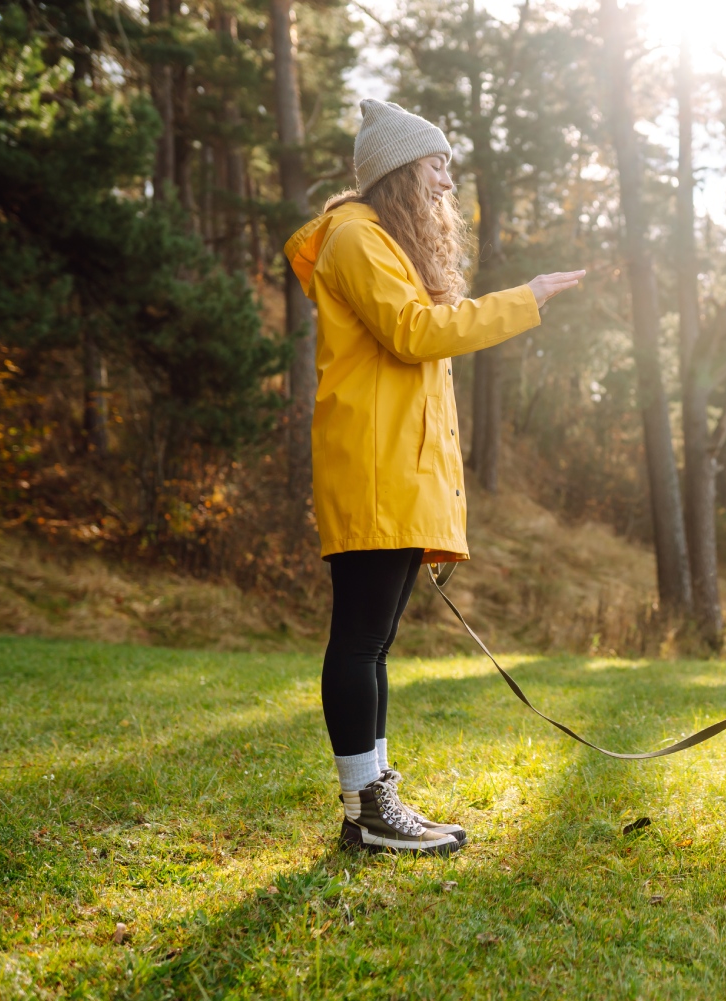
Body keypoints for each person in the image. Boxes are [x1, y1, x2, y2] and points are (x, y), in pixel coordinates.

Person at [283, 99, 584, 855]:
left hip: (392, 475)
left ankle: (371, 803)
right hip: (375, 474)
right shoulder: (355, 238)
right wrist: (530, 296)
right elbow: (417, 335)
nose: (448, 180)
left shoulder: (375, 241)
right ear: (400, 171)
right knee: (358, 641)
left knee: (370, 644)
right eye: (437, 164)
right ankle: (367, 808)